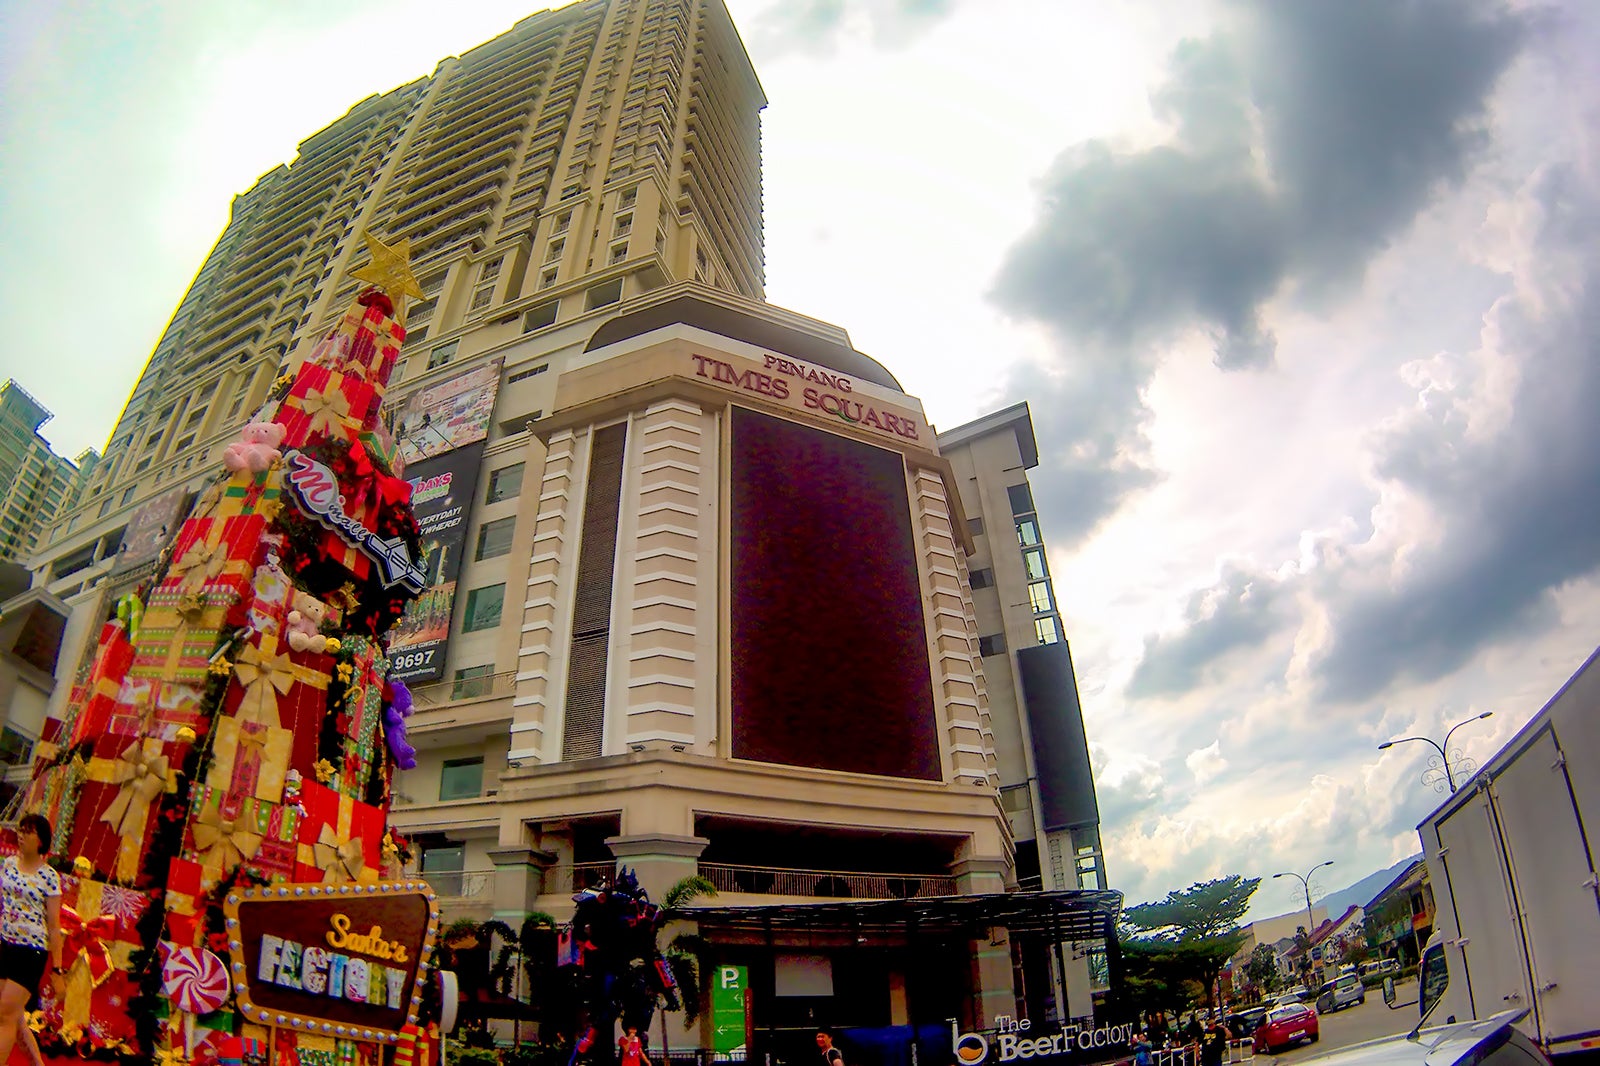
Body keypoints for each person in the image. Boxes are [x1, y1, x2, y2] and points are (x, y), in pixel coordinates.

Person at [0, 815, 61, 1066]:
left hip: (31, 951)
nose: (21, 835)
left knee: (4, 1014)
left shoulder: (49, 877)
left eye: (28, 831)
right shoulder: (8, 865)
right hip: (5, 944)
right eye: (20, 830)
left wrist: (57, 969)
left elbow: (54, 926)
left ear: (41, 841)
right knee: (14, 1016)